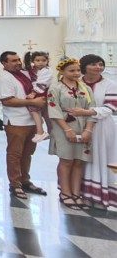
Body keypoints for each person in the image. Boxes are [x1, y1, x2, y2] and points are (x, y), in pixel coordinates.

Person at [47, 58, 98, 209]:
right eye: (72, 70)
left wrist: (88, 130)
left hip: (83, 127)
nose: (76, 73)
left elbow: (92, 110)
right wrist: (67, 130)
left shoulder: (85, 88)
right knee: (67, 161)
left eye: (78, 70)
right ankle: (65, 193)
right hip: (63, 127)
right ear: (62, 71)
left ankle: (76, 193)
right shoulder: (55, 88)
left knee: (79, 161)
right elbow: (54, 111)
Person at [0, 51, 48, 199]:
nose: (18, 63)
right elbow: (7, 100)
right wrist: (32, 102)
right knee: (15, 154)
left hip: (32, 121)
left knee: (27, 153)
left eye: (18, 59)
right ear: (4, 63)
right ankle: (15, 184)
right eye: (13, 61)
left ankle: (25, 180)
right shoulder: (4, 78)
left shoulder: (25, 74)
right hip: (16, 122)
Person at [80, 54, 117, 208]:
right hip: (80, 125)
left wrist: (88, 112)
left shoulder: (109, 83)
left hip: (102, 127)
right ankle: (83, 194)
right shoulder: (77, 82)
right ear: (84, 67)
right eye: (94, 64)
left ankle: (102, 196)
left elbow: (111, 107)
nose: (98, 67)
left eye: (101, 64)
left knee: (102, 157)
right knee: (82, 159)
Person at [23, 51, 52, 142]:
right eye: (38, 60)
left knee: (35, 110)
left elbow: (42, 83)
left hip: (41, 92)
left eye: (43, 60)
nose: (40, 62)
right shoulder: (33, 69)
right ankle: (47, 132)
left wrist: (33, 93)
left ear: (47, 61)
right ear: (33, 61)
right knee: (40, 113)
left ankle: (40, 132)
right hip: (37, 91)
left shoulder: (47, 71)